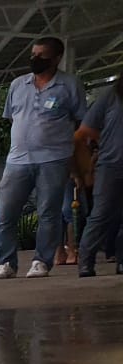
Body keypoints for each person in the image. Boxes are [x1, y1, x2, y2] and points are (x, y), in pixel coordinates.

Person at [0, 37, 87, 279]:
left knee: (49, 212)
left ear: (56, 58)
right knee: (5, 213)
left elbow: (78, 122)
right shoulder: (18, 85)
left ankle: (41, 261)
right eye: (33, 54)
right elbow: (14, 118)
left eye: (42, 55)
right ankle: (6, 263)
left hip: (54, 158)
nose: (35, 59)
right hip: (18, 159)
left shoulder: (70, 85)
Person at [77, 75, 123, 277]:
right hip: (111, 164)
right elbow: (84, 131)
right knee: (100, 215)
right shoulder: (111, 95)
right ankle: (86, 262)